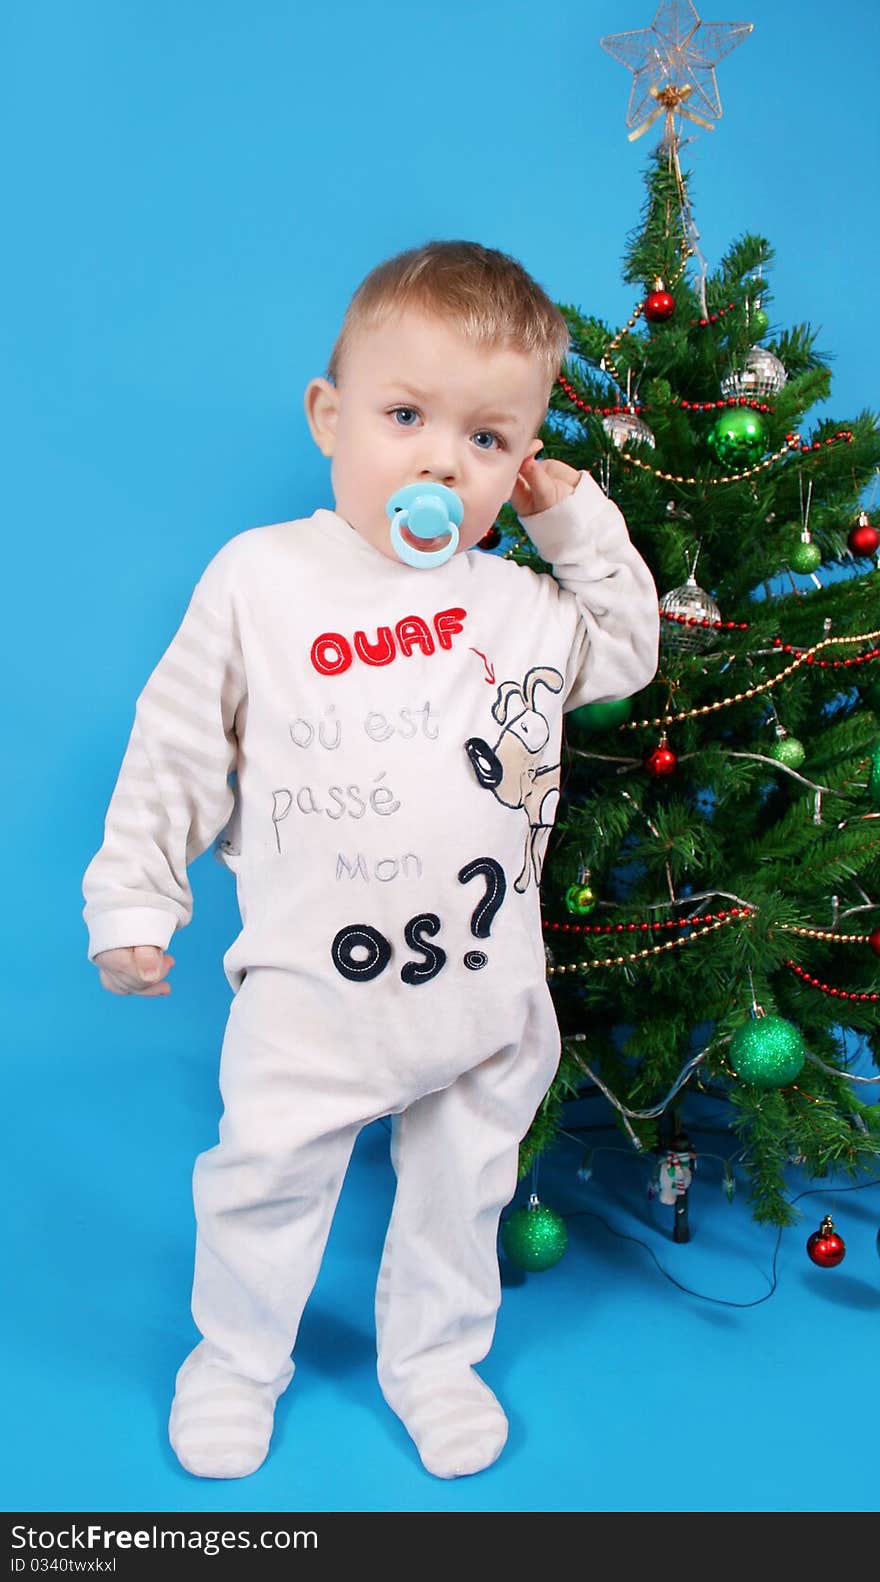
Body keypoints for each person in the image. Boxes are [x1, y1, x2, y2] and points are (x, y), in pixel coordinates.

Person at [82, 239, 660, 1482]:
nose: (443, 461)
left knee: (465, 1188)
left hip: (483, 986)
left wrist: (572, 520)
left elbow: (624, 655)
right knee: (265, 1182)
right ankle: (234, 1361)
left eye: (490, 438)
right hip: (313, 988)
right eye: (406, 416)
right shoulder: (264, 578)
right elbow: (178, 740)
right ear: (329, 418)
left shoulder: (515, 599)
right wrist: (137, 891)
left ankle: (432, 1359)